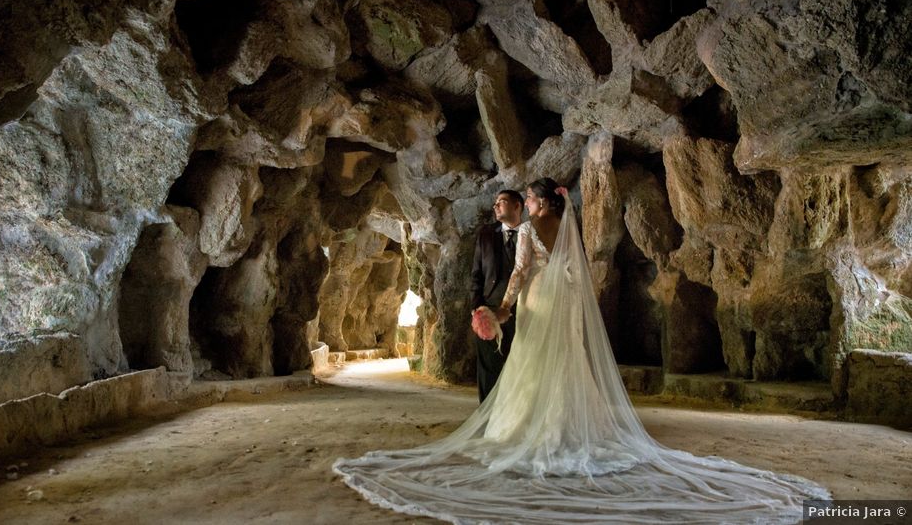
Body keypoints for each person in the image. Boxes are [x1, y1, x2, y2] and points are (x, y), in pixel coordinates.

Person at [334, 177, 830, 524]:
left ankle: (527, 428)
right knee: (565, 361)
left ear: (542, 204)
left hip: (537, 299)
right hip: (566, 299)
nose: (526, 206)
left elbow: (520, 273)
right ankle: (573, 425)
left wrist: (503, 310)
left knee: (530, 365)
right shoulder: (567, 226)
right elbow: (575, 273)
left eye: (529, 200)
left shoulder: (530, 231)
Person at [470, 189, 524, 402]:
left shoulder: (531, 234)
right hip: (489, 308)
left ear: (517, 206)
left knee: (520, 364)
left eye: (501, 202)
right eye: (495, 203)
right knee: (488, 368)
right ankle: (486, 416)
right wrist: (476, 308)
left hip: (524, 309)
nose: (495, 206)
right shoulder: (485, 233)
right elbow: (476, 274)